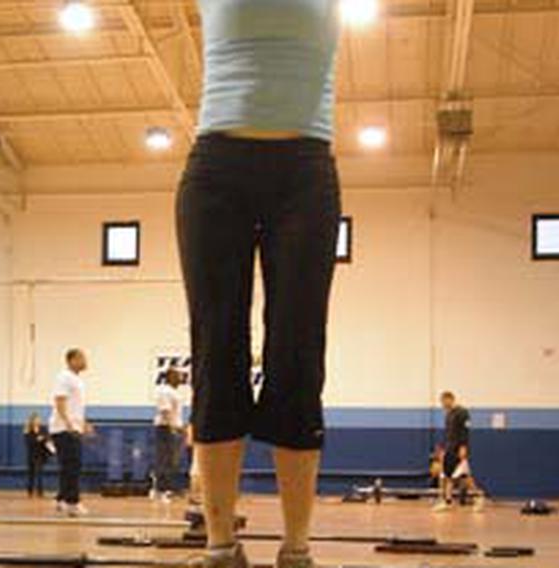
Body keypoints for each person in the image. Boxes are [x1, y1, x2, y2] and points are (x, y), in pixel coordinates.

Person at [176, 2, 341, 567]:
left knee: (298, 353)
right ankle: (221, 545)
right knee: (217, 350)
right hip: (216, 167)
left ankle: (296, 549)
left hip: (305, 169)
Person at [49, 348, 93, 517]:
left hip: (72, 427)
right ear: (72, 360)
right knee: (72, 466)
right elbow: (60, 400)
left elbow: (75, 407)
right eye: (82, 357)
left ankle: (61, 499)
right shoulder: (64, 377)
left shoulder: (77, 380)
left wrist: (83, 424)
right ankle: (72, 502)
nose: (85, 361)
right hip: (63, 429)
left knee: (68, 466)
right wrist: (67, 423)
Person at [433, 391, 483, 512]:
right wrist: (442, 449)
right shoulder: (448, 415)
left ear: (451, 399)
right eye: (441, 402)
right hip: (449, 450)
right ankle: (447, 501)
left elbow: (465, 431)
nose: (443, 404)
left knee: (465, 477)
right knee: (447, 476)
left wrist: (463, 447)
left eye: (444, 401)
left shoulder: (462, 412)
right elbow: (447, 434)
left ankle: (479, 497)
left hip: (458, 450)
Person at [153, 367, 186, 503]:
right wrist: (172, 427)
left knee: (172, 461)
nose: (181, 379)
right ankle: (161, 491)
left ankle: (169, 489)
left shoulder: (173, 392)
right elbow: (165, 411)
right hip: (166, 428)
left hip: (174, 428)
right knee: (165, 460)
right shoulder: (165, 391)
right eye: (178, 376)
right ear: (171, 377)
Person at [24, 413, 52, 497]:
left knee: (39, 474)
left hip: (40, 455)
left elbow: (47, 439)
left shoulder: (43, 429)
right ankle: (30, 491)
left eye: (38, 419)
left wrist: (45, 441)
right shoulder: (28, 431)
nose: (37, 421)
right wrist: (37, 440)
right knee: (31, 474)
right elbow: (28, 443)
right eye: (35, 419)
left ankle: (40, 492)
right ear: (31, 421)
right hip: (31, 455)